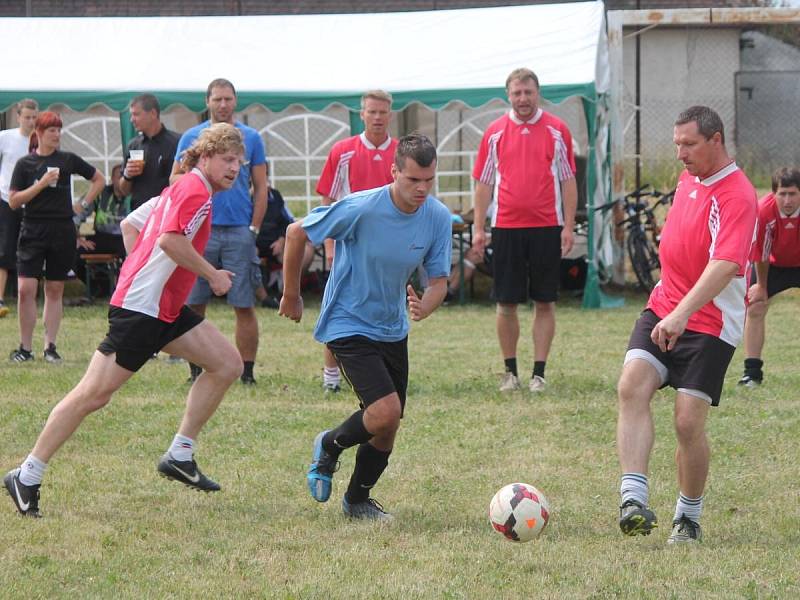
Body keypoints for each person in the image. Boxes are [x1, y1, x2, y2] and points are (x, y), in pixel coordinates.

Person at [4, 123, 246, 518]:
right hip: (142, 310)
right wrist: (211, 274)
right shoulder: (196, 189)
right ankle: (27, 475)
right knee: (93, 395)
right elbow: (170, 240)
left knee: (226, 363)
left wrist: (143, 270)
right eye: (227, 159)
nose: (234, 168)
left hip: (159, 307)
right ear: (205, 157)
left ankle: (180, 455)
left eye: (239, 161)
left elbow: (133, 224)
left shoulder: (181, 188)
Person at [281, 134, 451, 520]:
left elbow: (439, 281)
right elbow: (296, 233)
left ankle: (357, 501)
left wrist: (426, 305)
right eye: (413, 180)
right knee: (385, 411)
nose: (422, 189)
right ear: (394, 172)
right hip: (347, 320)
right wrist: (291, 294)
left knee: (386, 427)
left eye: (429, 180)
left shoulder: (437, 217)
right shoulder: (361, 207)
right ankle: (328, 445)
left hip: (391, 327)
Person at [616, 106, 757, 544]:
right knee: (631, 386)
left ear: (716, 140)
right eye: (676, 144)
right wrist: (670, 301)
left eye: (689, 144)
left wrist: (682, 315)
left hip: (711, 323)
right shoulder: (688, 178)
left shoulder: (738, 195)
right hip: (664, 305)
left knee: (687, 422)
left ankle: (688, 516)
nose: (680, 153)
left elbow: (725, 264)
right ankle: (633, 499)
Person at [471, 68, 577, 393]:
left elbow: (568, 180)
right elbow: (484, 183)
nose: (523, 99)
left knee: (545, 301)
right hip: (506, 228)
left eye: (528, 92)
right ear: (508, 95)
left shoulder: (558, 130)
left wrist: (568, 226)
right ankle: (510, 372)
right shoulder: (494, 132)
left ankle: (539, 374)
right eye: (517, 93)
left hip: (547, 227)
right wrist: (479, 228)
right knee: (506, 303)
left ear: (537, 93)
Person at [170, 78, 268, 385]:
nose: (223, 104)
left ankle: (248, 372)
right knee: (193, 302)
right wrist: (195, 179)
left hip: (239, 230)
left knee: (244, 303)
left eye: (228, 99)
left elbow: (262, 186)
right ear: (208, 102)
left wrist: (254, 227)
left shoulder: (250, 137)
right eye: (217, 99)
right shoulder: (191, 137)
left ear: (235, 101)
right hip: (200, 231)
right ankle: (195, 370)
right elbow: (173, 179)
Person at [315, 89, 398, 393]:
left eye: (383, 112)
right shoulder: (343, 151)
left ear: (391, 114)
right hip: (349, 247)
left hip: (389, 249)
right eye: (371, 112)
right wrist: (329, 245)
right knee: (338, 311)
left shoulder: (402, 153)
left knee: (388, 311)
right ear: (361, 114)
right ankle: (331, 377)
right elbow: (328, 200)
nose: (377, 117)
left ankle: (385, 373)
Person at [8, 111, 105, 363]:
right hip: (32, 229)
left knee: (54, 288)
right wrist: (40, 184)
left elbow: (98, 179)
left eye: (59, 130)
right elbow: (13, 202)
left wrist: (82, 204)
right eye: (52, 130)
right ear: (38, 133)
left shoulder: (68, 159)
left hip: (62, 229)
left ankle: (50, 347)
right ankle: (25, 349)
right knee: (25, 289)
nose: (57, 134)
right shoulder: (24, 164)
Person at [738, 167, 800, 387]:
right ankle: (752, 374)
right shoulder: (764, 210)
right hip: (773, 265)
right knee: (755, 305)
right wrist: (761, 286)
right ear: (774, 194)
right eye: (782, 194)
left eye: (792, 194)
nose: (787, 200)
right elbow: (761, 253)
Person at [0, 98, 38, 318]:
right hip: (6, 199)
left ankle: (29, 296)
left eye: (34, 117)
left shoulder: (40, 140)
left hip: (32, 202)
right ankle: (1, 297)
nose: (31, 121)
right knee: (5, 249)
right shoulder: (6, 138)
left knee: (30, 249)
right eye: (27, 117)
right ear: (18, 116)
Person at [74, 164, 130, 296]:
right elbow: (77, 213)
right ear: (112, 179)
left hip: (126, 238)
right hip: (102, 237)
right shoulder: (100, 193)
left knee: (133, 256)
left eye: (125, 176)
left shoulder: (136, 194)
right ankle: (98, 288)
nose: (122, 179)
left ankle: (124, 292)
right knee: (73, 252)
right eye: (119, 176)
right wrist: (76, 238)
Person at [255, 186, 314, 309]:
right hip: (252, 243)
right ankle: (264, 297)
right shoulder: (244, 197)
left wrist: (281, 240)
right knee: (245, 251)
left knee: (307, 251)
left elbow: (289, 222)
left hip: (276, 244)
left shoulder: (275, 196)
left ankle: (286, 293)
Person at [119, 93, 180, 211]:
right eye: (131, 115)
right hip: (139, 215)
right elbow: (124, 191)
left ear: (153, 113)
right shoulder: (134, 145)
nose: (132, 120)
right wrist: (128, 175)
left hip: (167, 213)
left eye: (136, 114)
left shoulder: (177, 143)